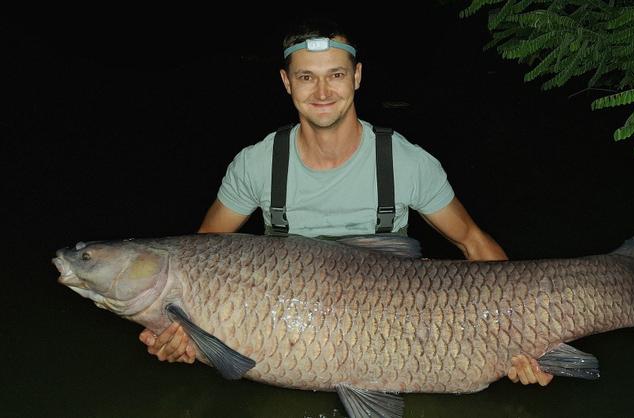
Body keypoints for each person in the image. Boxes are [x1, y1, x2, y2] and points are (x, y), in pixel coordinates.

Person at [138, 17, 553, 387]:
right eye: (306, 77)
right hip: (292, 345)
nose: (322, 91)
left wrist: (523, 335)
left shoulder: (407, 162)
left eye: (335, 74)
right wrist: (181, 332)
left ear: (356, 76)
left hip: (397, 331)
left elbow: (473, 243)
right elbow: (201, 255)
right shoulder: (256, 164)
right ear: (286, 82)